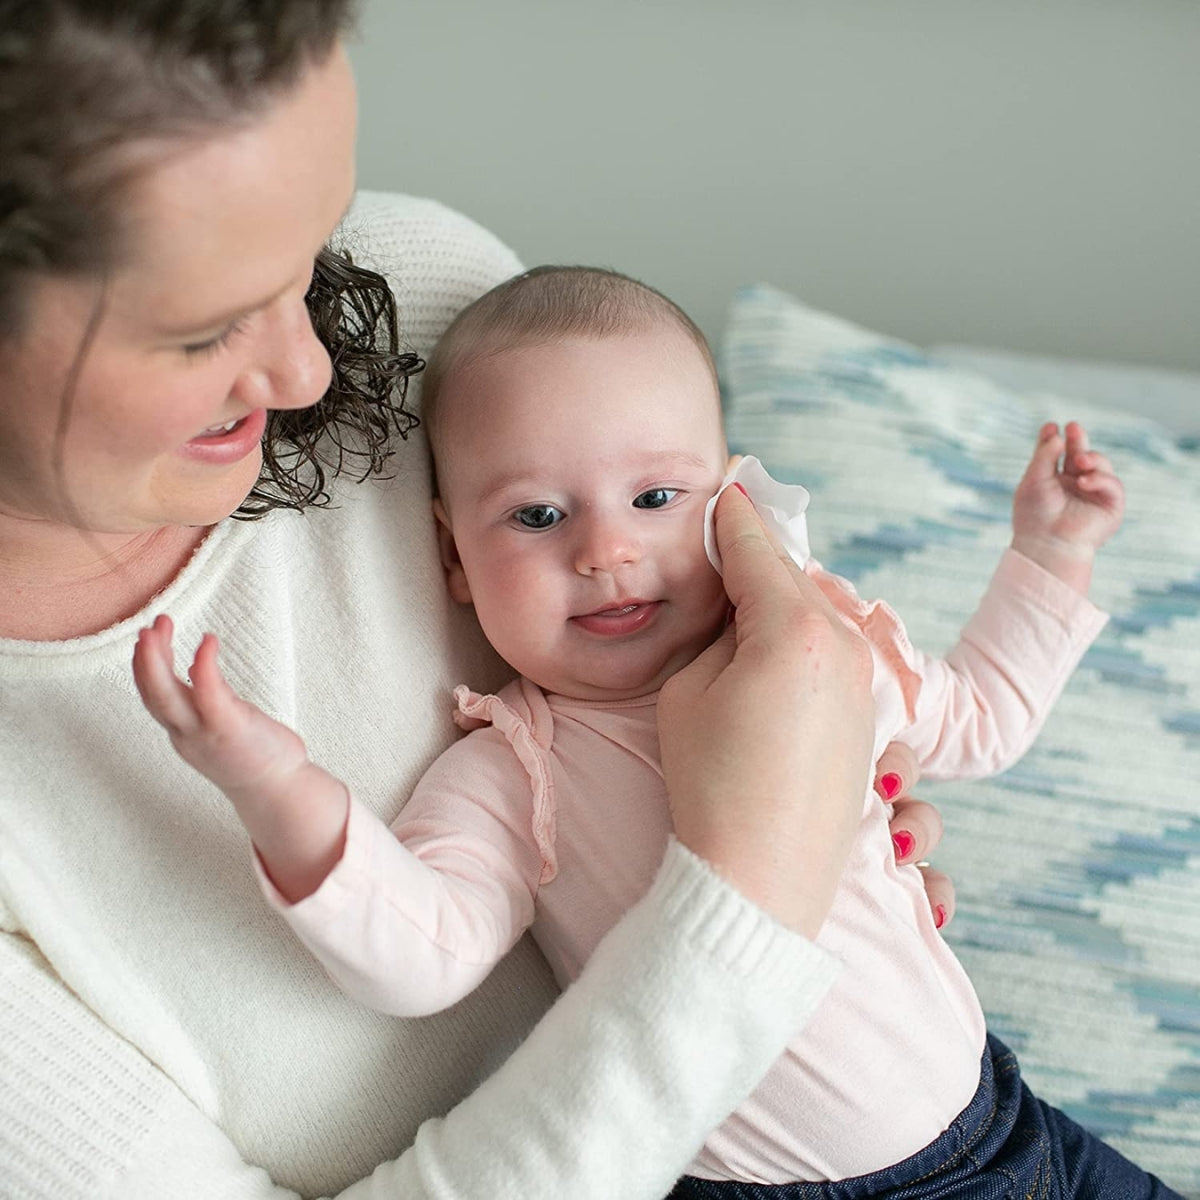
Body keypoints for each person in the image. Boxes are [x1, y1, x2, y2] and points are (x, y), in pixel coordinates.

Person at [0, 5, 950, 1198]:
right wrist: (757, 896)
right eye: (203, 331)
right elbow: (755, 857)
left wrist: (844, 808)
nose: (309, 368)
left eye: (308, 258)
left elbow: (723, 634)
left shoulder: (428, 297)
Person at [135, 266, 1182, 1198]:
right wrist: (280, 792)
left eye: (655, 496)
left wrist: (1054, 552)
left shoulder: (818, 648)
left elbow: (984, 718)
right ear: (454, 559)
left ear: (732, 500)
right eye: (538, 516)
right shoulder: (517, 767)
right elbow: (422, 959)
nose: (606, 551)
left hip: (1005, 1122)